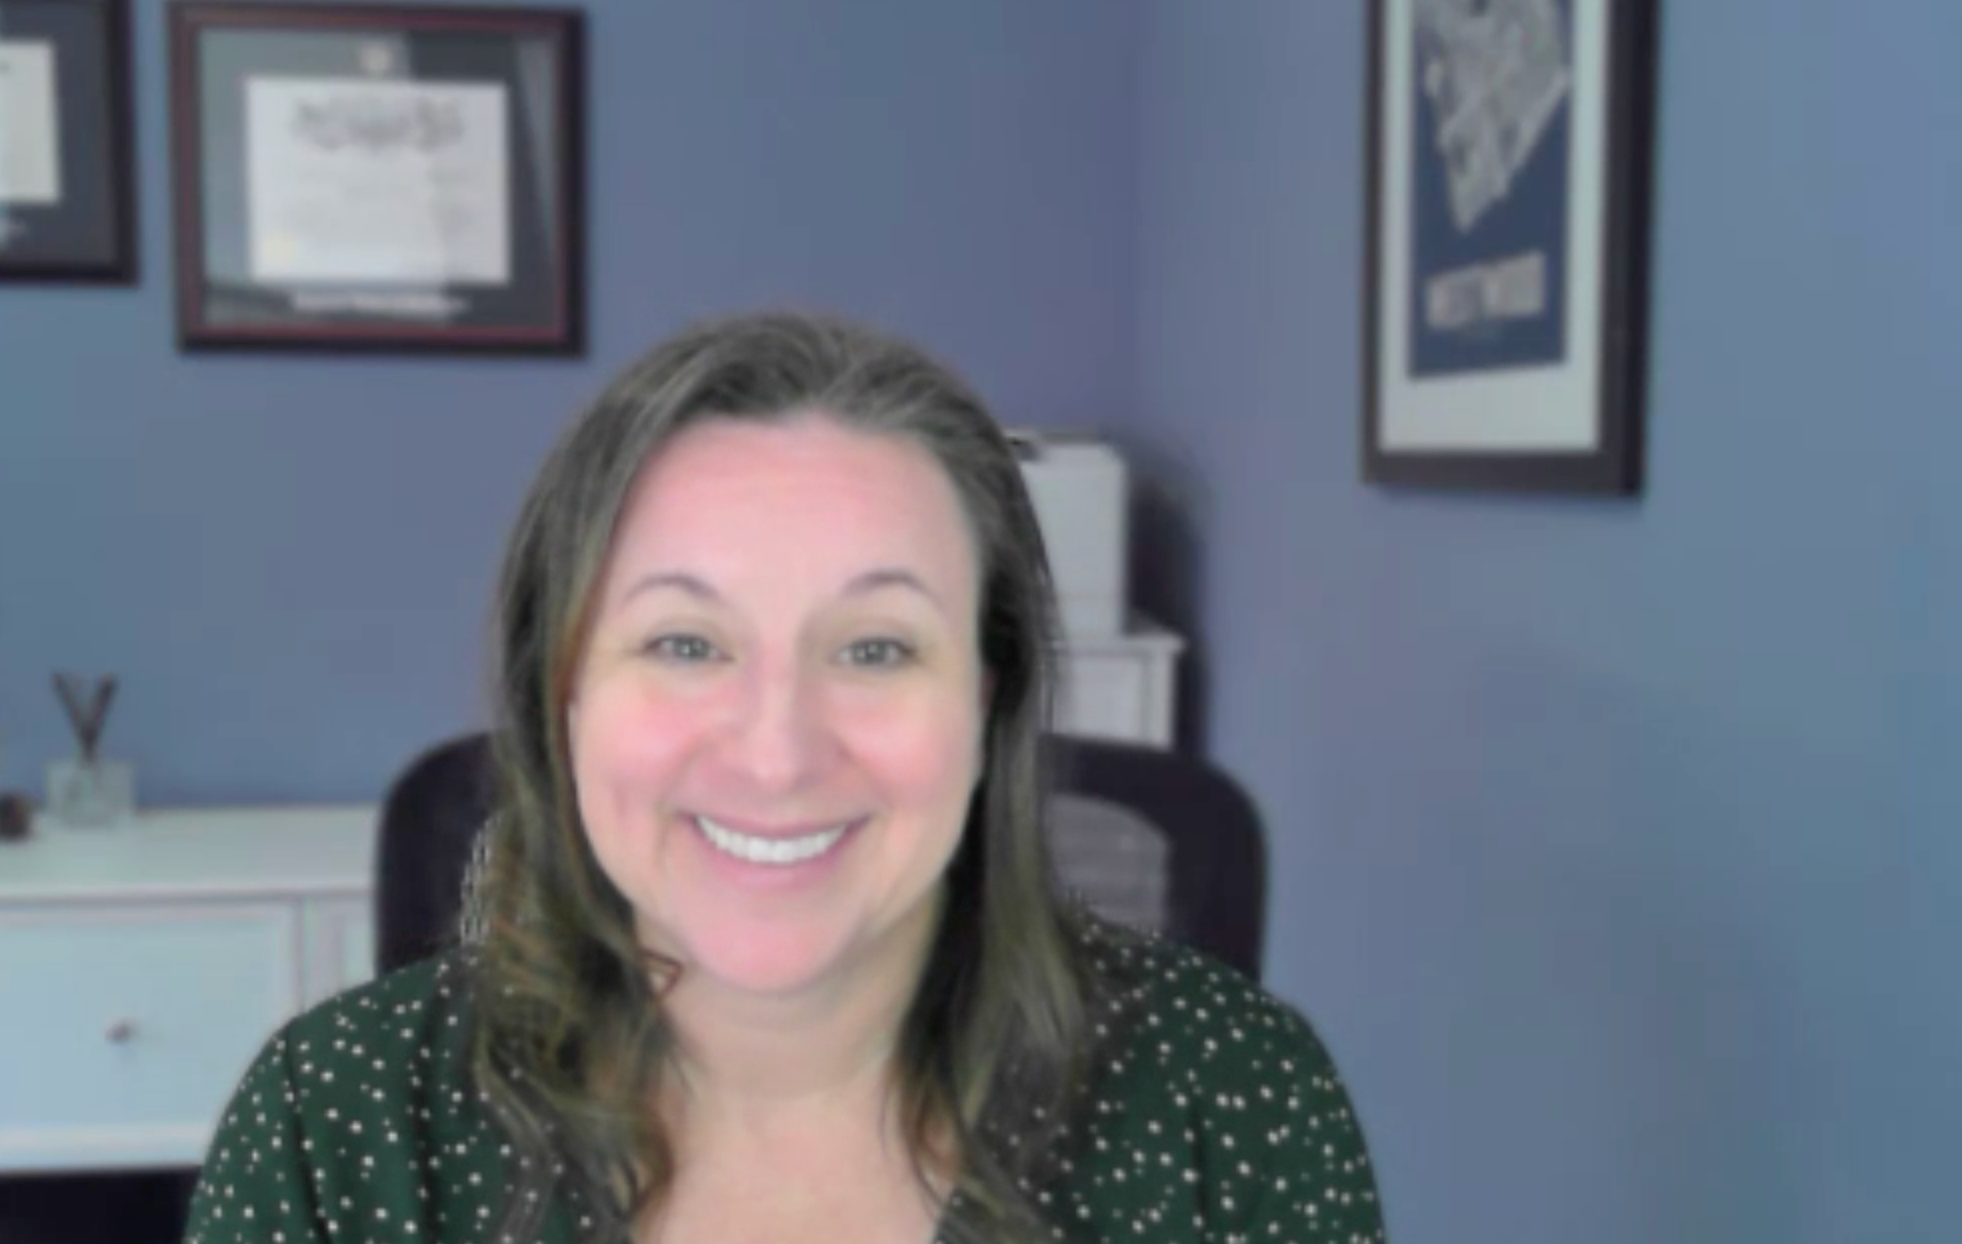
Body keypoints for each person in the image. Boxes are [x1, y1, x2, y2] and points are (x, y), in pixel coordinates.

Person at [185, 312, 1386, 1244]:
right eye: (683, 643)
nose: (774, 751)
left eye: (874, 648)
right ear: (562, 697)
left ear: (988, 700)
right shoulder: (334, 1127)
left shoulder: (1229, 1101)